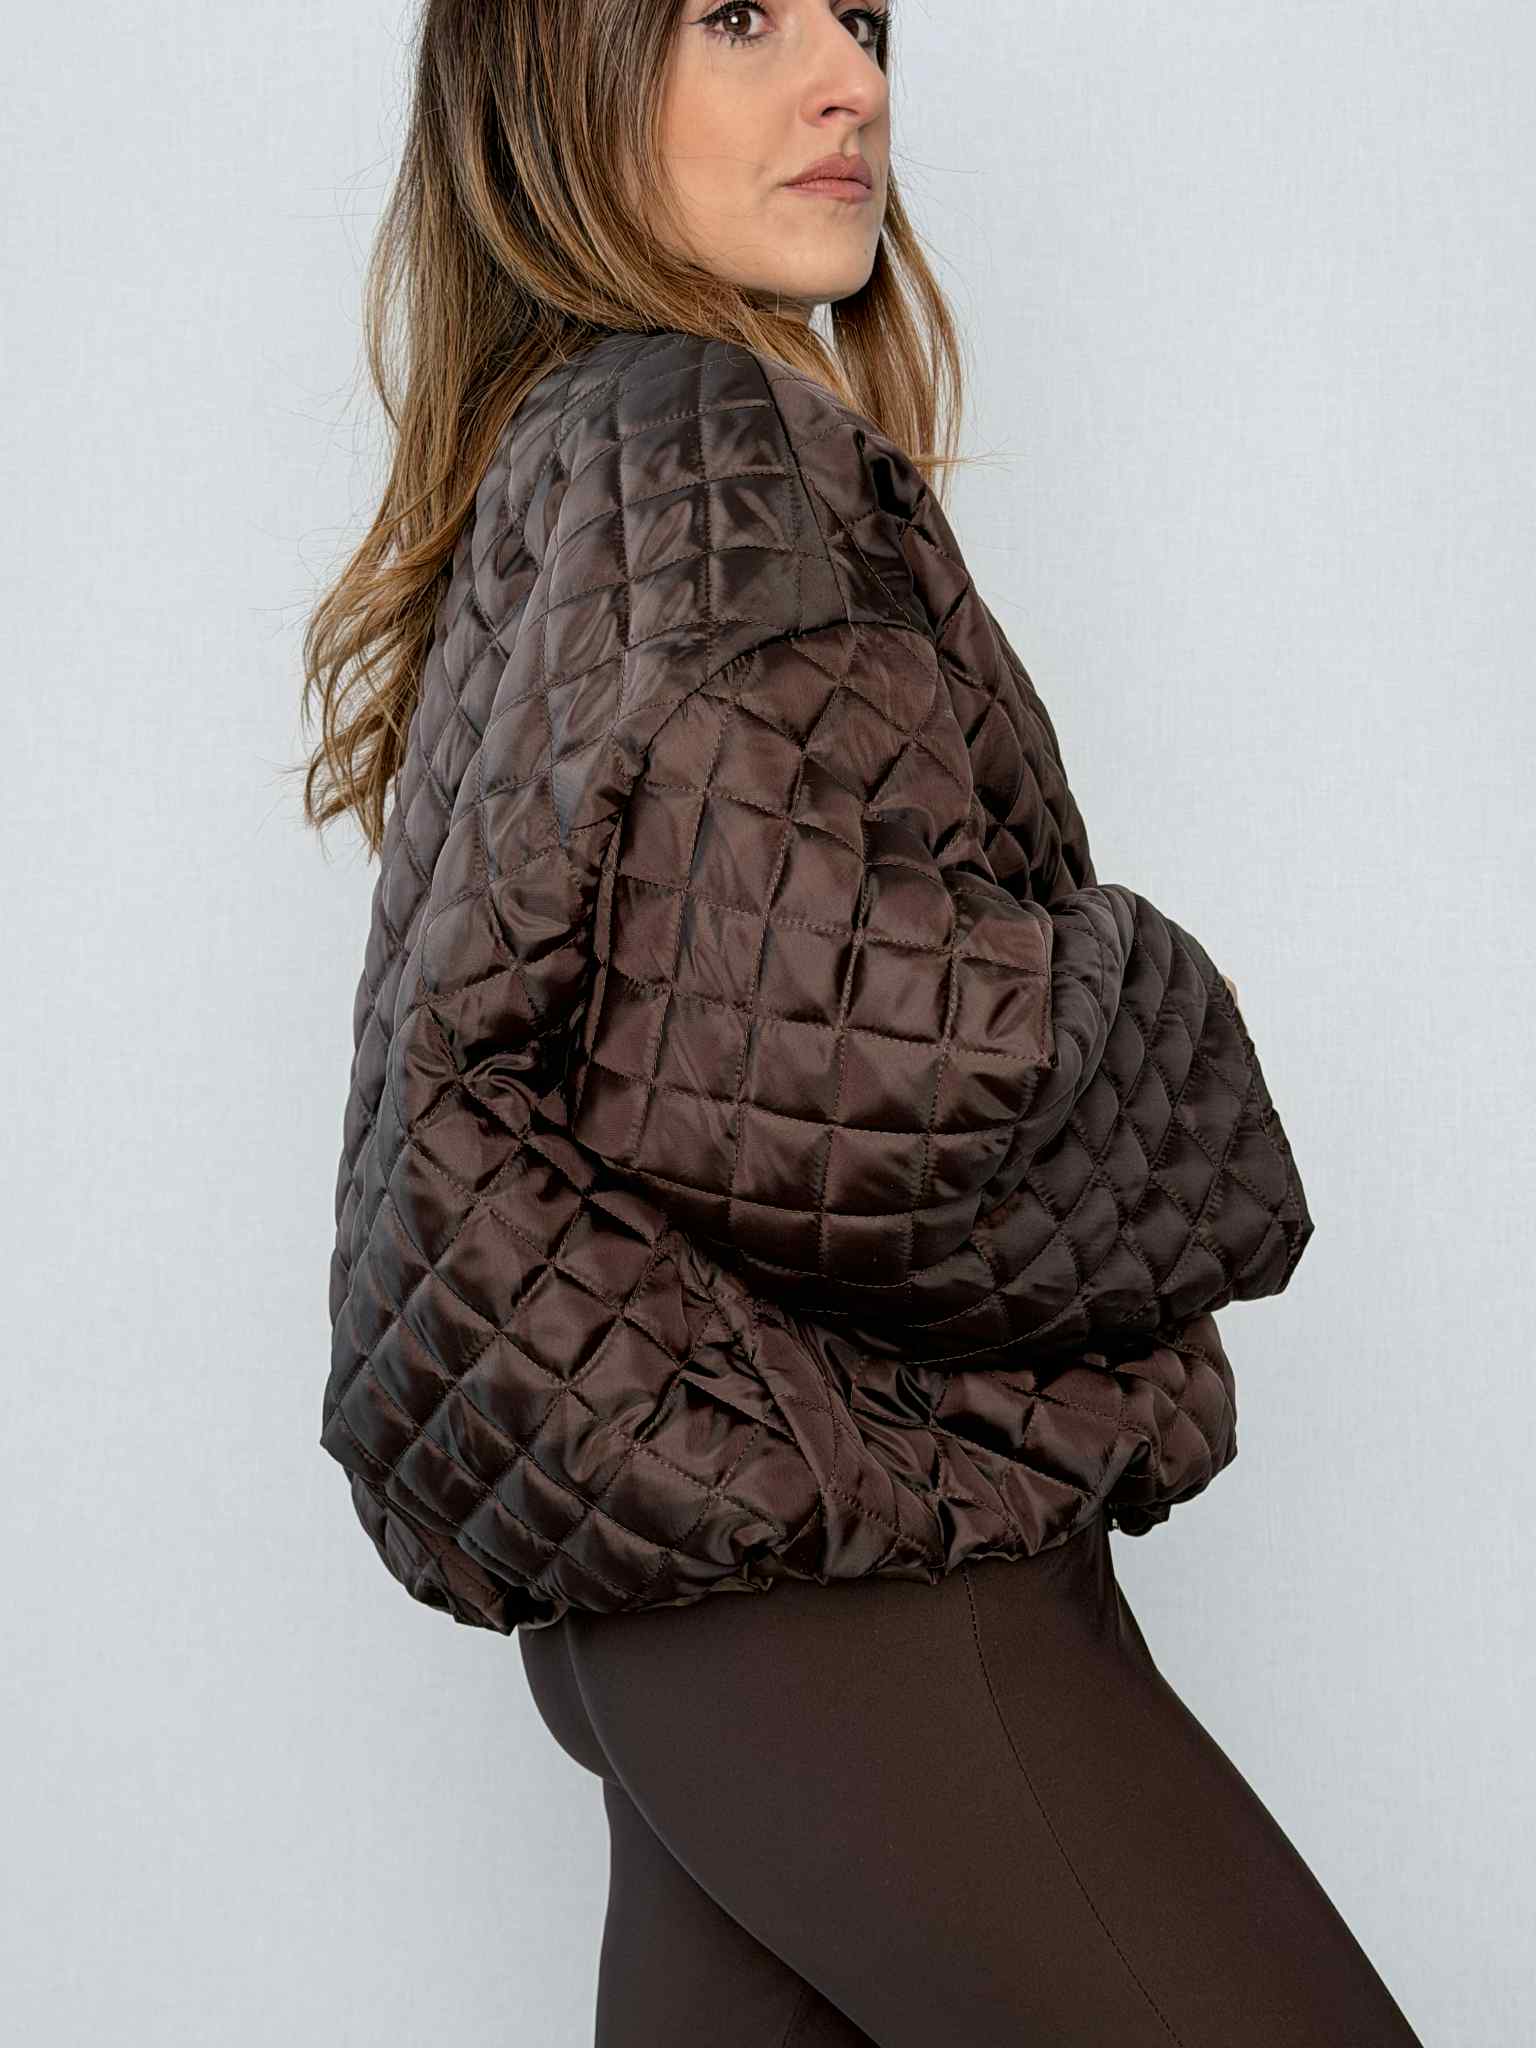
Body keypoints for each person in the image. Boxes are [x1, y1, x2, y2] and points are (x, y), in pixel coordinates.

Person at [302, 4, 1425, 2042]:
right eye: (741, 15)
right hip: (853, 1585)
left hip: (681, 1589)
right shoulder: (706, 440)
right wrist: (1168, 1030)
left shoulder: (577, 448)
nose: (855, 80)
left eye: (864, 17)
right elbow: (848, 1060)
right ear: (554, 70)